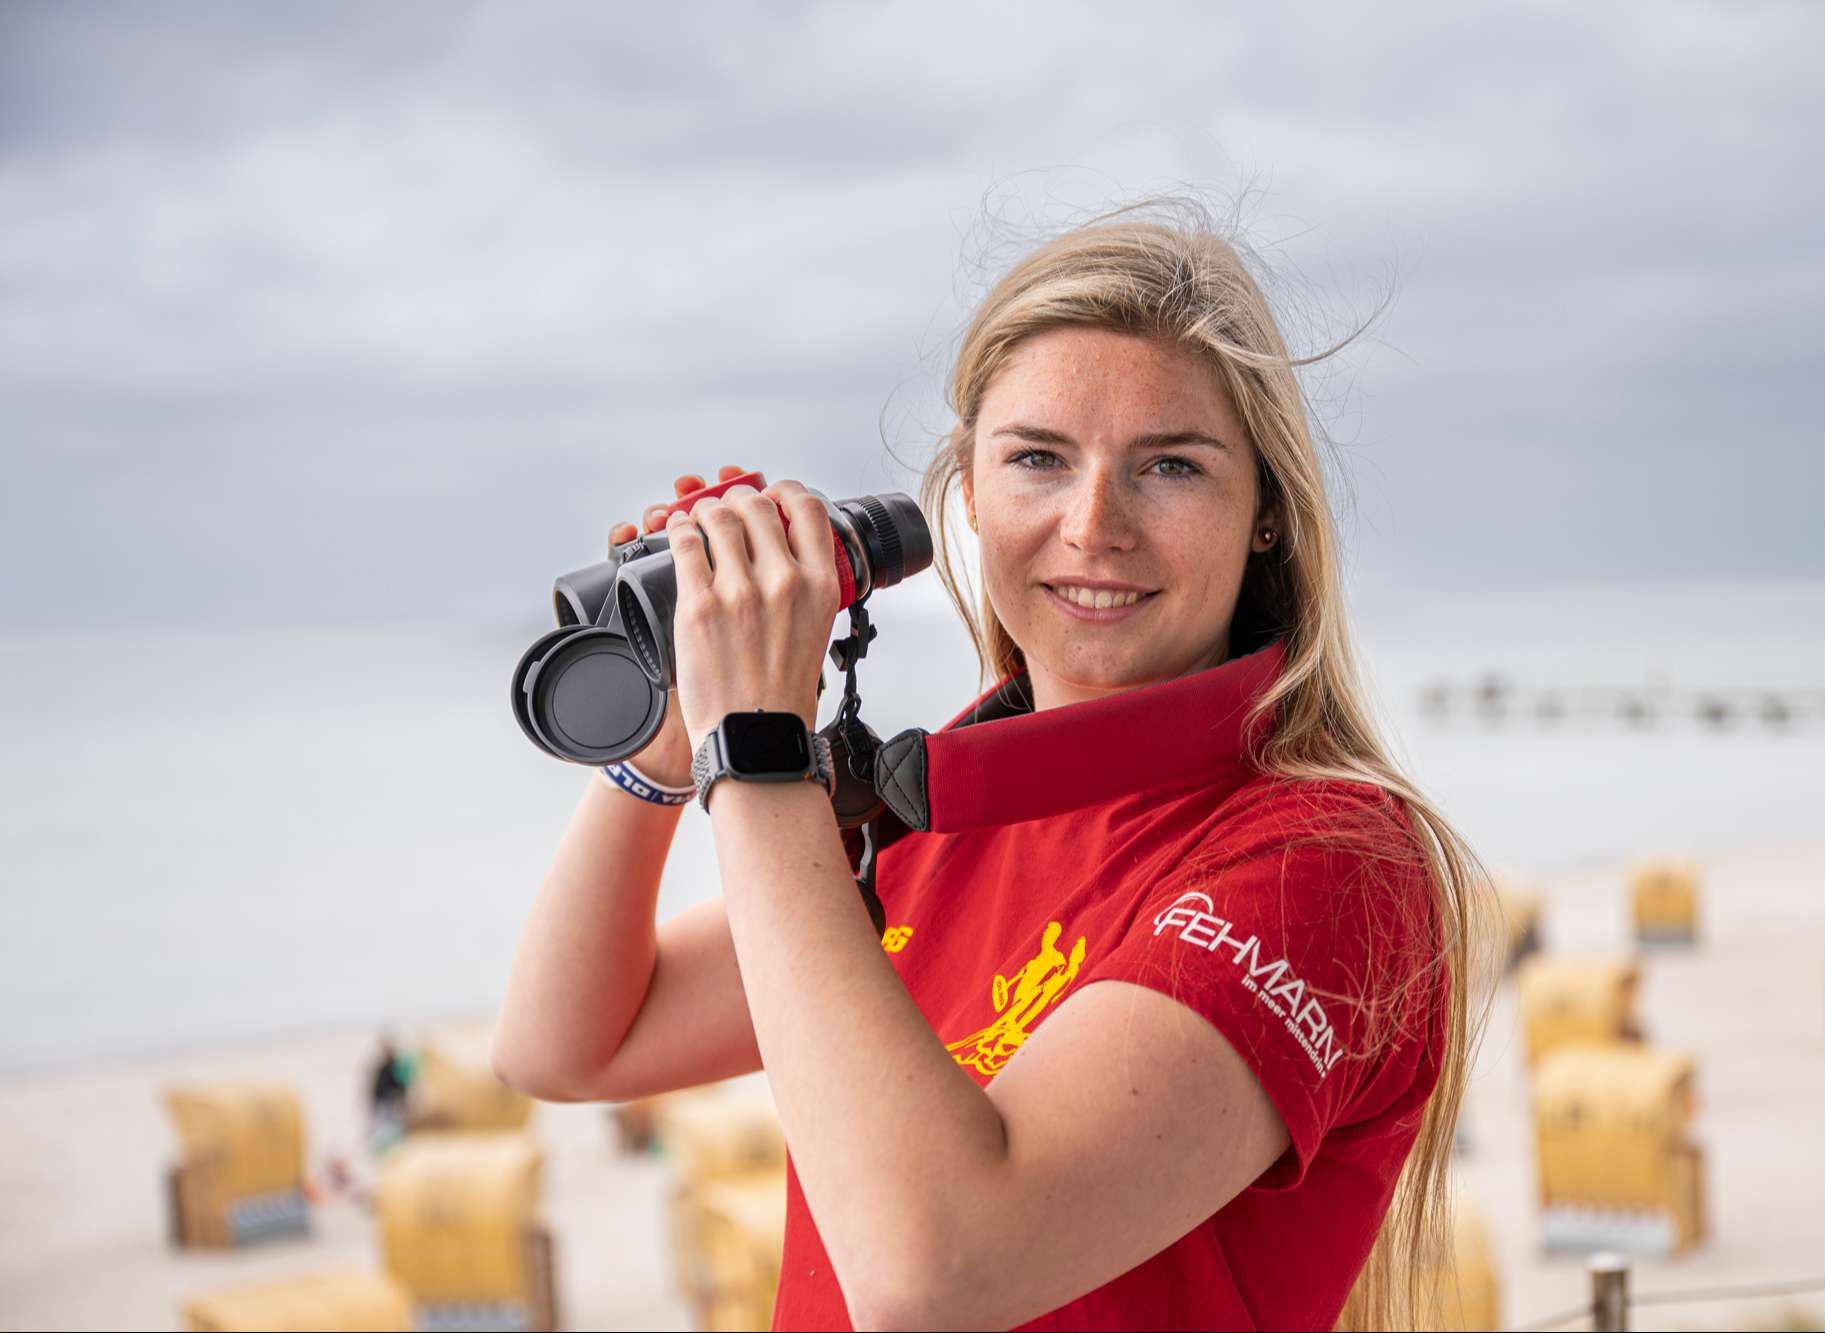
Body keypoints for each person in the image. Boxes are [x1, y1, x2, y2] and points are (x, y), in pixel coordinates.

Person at [492, 202, 1491, 1331]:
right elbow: (566, 1042)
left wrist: (758, 750)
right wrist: (669, 745)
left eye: (1169, 465)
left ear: (1265, 512)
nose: (1091, 522)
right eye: (1035, 460)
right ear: (965, 492)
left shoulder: (1326, 862)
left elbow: (936, 1269)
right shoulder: (937, 806)